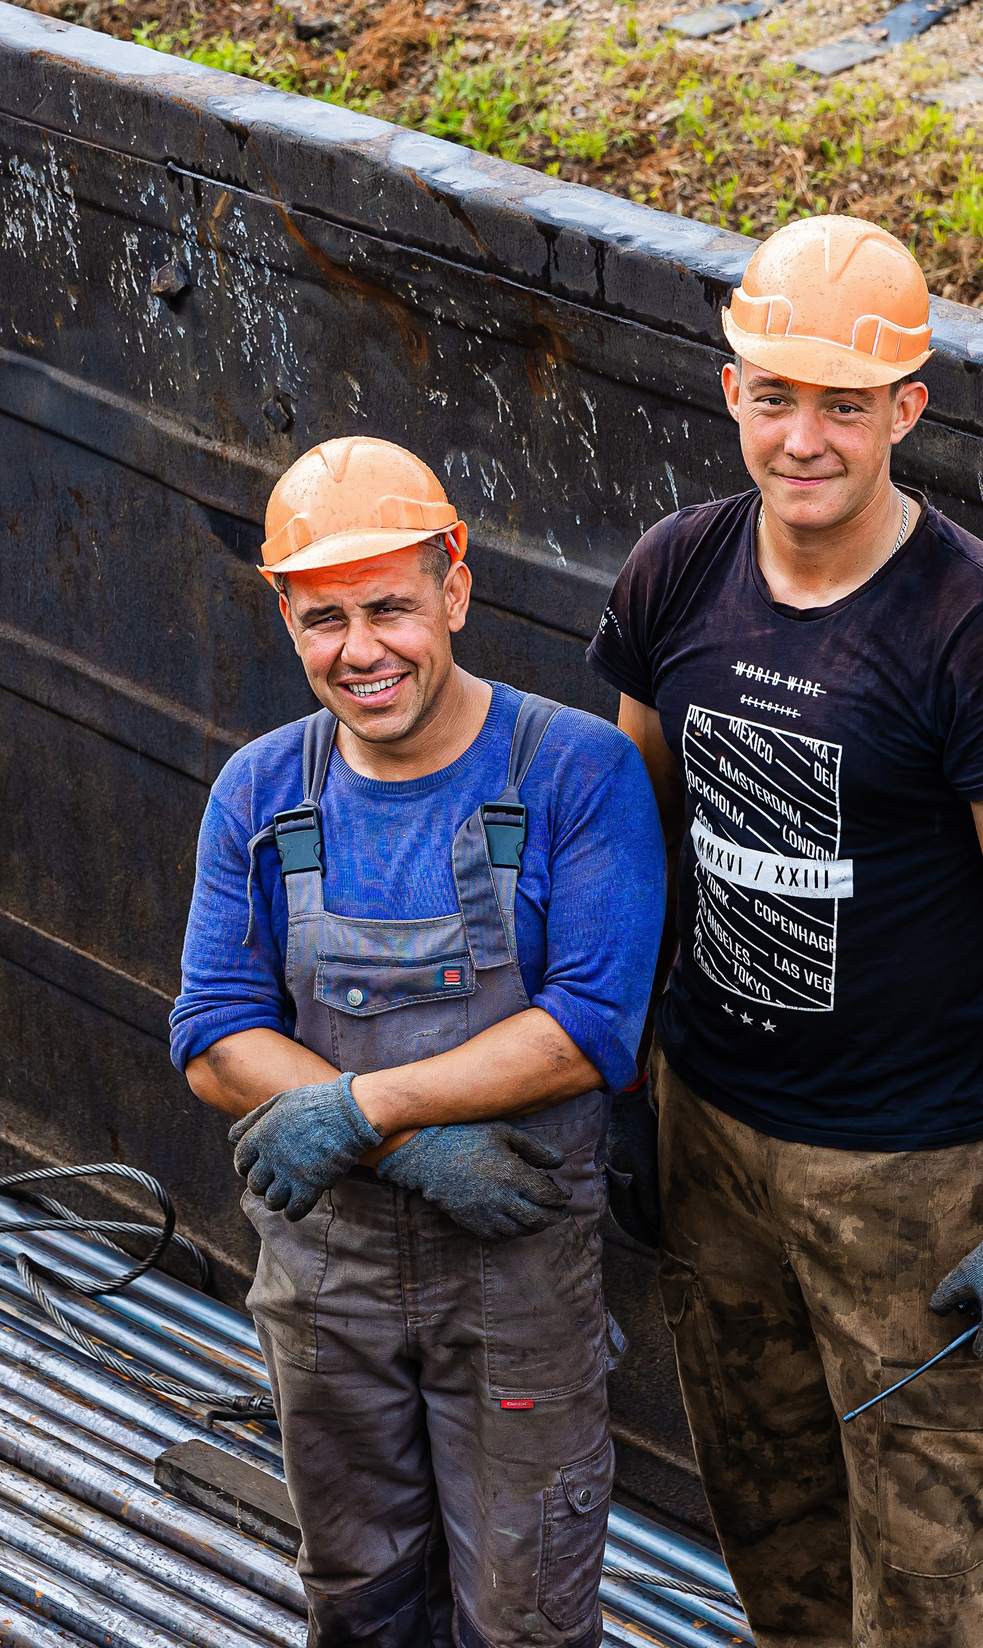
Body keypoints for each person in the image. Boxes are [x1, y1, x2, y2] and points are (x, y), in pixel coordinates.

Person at [588, 216, 983, 1648]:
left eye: (844, 403)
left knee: (930, 1576)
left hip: (909, 1177)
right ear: (731, 387)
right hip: (712, 1136)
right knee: (771, 1522)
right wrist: (619, 1078)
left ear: (905, 411)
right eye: (775, 394)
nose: (803, 436)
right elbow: (635, 848)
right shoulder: (678, 572)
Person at [171, 436, 667, 1648]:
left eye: (389, 606)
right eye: (323, 618)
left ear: (454, 584)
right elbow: (214, 1034)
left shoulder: (576, 775)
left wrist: (352, 1112)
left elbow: (588, 1031)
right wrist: (397, 1142)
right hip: (323, 1278)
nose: (361, 651)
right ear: (286, 619)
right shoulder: (260, 790)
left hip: (512, 1279)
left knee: (525, 1606)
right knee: (358, 1594)